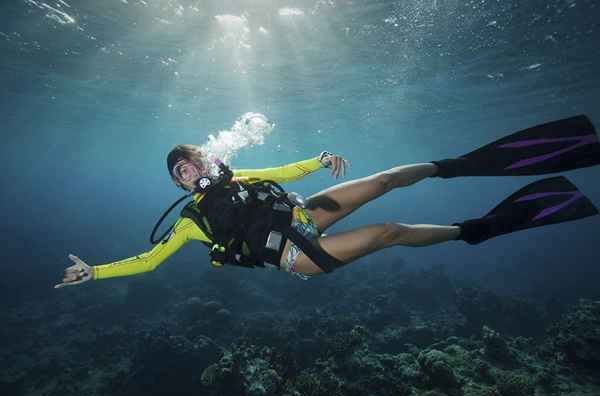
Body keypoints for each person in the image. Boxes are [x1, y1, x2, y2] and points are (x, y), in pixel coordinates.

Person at [55, 115, 600, 288]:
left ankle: (464, 164)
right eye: (179, 173)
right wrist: (96, 272)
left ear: (205, 160)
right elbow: (148, 259)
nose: (188, 174)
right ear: (176, 185)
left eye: (191, 163)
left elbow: (283, 170)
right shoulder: (192, 220)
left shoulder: (239, 174)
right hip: (297, 258)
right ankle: (474, 230)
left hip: (304, 215)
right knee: (390, 230)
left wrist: (318, 160)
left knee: (385, 178)